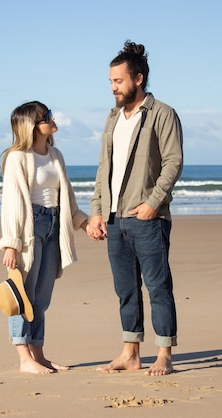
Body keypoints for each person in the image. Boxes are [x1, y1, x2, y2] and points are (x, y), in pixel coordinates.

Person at [87, 41, 184, 376]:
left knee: (158, 286)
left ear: (138, 78)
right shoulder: (113, 118)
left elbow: (173, 162)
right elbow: (104, 167)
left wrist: (153, 204)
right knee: (125, 290)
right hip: (115, 220)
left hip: (147, 219)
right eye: (111, 82)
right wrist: (97, 210)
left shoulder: (163, 114)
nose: (113, 87)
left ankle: (164, 355)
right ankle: (130, 352)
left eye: (118, 81)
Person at [0, 100, 89, 374]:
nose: (52, 119)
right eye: (46, 117)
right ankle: (24, 357)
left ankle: (39, 354)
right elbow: (12, 202)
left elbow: (67, 195)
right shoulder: (17, 157)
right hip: (30, 228)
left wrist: (82, 222)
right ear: (32, 126)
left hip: (54, 224)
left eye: (50, 114)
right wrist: (12, 244)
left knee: (42, 297)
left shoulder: (55, 154)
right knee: (21, 295)